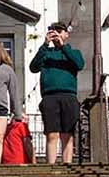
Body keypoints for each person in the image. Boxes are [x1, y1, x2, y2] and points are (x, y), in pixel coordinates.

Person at [29, 22, 85, 164]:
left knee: (67, 134)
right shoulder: (46, 53)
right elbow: (33, 67)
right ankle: (51, 165)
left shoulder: (72, 52)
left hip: (69, 96)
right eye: (53, 31)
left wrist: (63, 46)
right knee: (51, 134)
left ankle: (67, 164)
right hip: (50, 97)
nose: (57, 34)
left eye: (60, 31)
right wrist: (45, 45)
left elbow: (79, 64)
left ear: (66, 34)